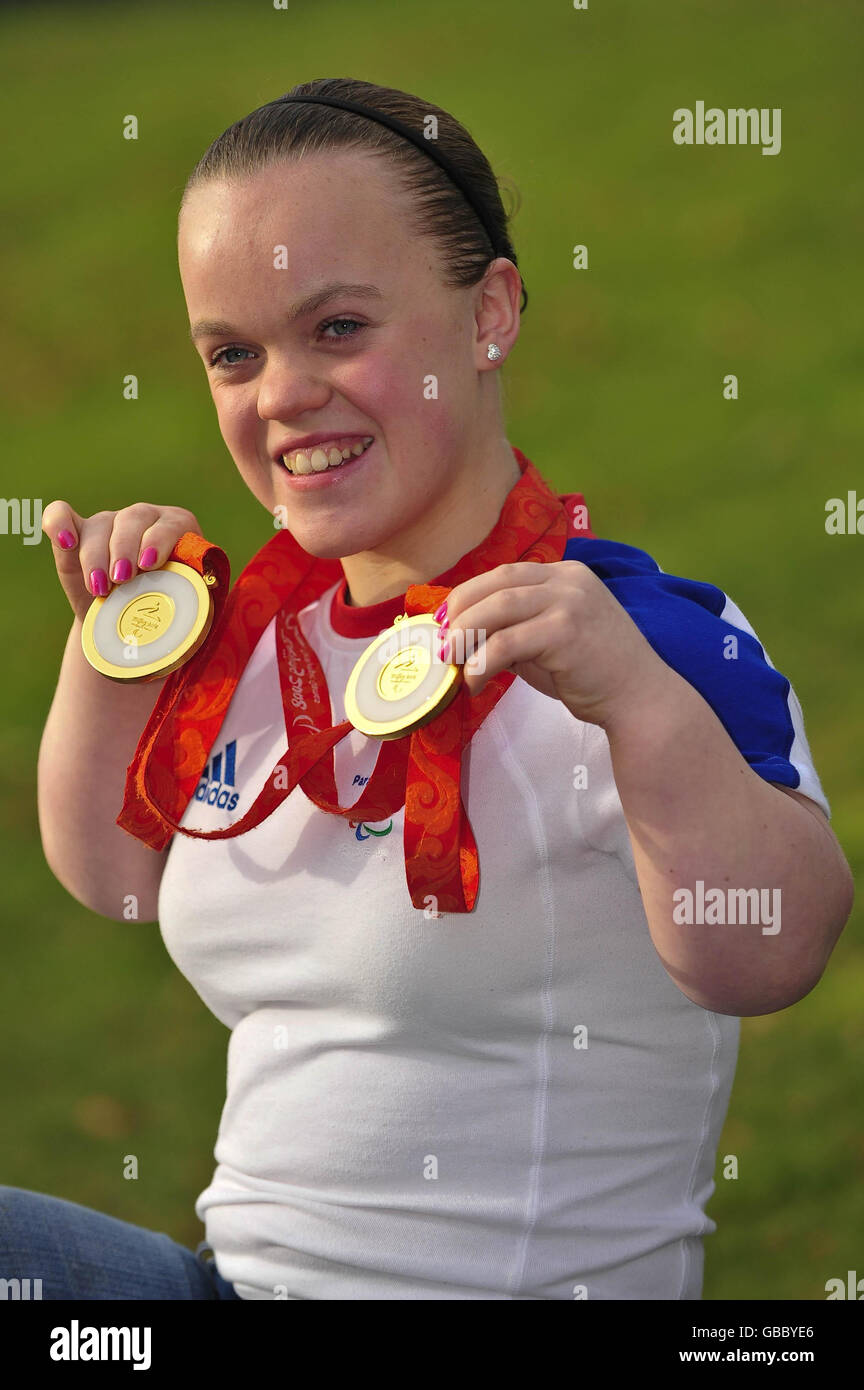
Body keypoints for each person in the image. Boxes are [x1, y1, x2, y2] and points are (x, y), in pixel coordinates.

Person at [25, 77, 853, 1301]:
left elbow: (772, 951)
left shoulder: (640, 634)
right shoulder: (257, 640)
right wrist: (114, 642)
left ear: (491, 314)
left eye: (340, 329)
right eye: (233, 353)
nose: (280, 395)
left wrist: (637, 702)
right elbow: (116, 876)